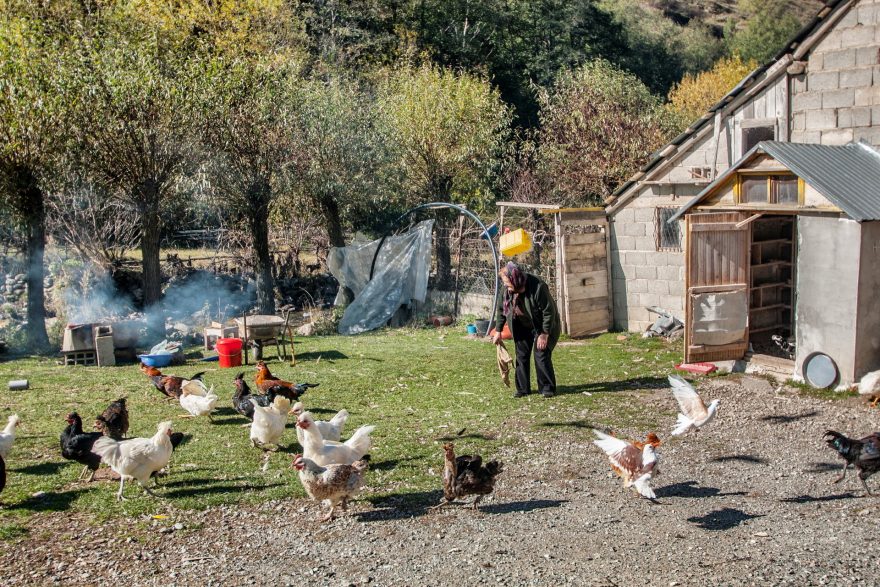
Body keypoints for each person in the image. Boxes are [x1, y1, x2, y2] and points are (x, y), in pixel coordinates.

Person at [492, 262, 561, 398]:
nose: (505, 285)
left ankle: (547, 388)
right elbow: (501, 310)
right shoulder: (506, 290)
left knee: (541, 353)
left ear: (515, 279)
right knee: (521, 355)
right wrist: (498, 331)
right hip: (521, 325)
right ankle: (523, 389)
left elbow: (549, 312)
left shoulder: (538, 287)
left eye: (507, 282)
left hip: (542, 325)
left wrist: (544, 334)